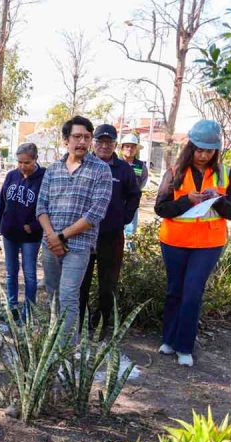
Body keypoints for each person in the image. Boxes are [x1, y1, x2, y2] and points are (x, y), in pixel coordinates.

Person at [154, 119, 231, 367]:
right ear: (190, 147)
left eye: (208, 150)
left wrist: (218, 200)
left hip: (208, 243)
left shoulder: (225, 174)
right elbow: (161, 208)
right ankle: (169, 340)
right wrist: (188, 201)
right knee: (175, 291)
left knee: (192, 293)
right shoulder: (174, 172)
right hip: (175, 240)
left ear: (216, 150)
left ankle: (185, 346)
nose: (203, 155)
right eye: (199, 149)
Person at [36, 116, 113, 343]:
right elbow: (41, 206)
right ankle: (54, 338)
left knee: (69, 295)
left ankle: (66, 349)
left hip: (78, 247)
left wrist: (62, 236)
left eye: (86, 137)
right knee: (53, 294)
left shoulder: (101, 170)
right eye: (77, 137)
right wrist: (52, 236)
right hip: (50, 244)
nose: (82, 142)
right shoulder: (53, 169)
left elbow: (95, 213)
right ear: (66, 140)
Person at [78, 125, 141, 339]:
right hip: (83, 234)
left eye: (109, 142)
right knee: (81, 281)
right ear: (93, 143)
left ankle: (101, 324)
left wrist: (123, 218)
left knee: (108, 284)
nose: (104, 146)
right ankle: (78, 322)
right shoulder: (83, 164)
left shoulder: (124, 169)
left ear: (115, 144)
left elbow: (134, 195)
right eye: (100, 141)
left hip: (111, 236)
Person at [0, 143, 45, 319]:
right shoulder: (11, 175)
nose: (22, 166)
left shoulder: (44, 177)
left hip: (30, 236)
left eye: (27, 162)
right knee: (10, 272)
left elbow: (50, 207)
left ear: (35, 159)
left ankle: (28, 312)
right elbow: (2, 203)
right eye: (19, 162)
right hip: (10, 233)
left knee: (29, 274)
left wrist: (34, 226)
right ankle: (12, 307)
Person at [120, 134, 148, 238]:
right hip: (116, 200)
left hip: (132, 201)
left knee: (130, 230)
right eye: (127, 146)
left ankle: (129, 253)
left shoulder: (140, 166)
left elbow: (143, 180)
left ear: (136, 149)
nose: (129, 149)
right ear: (122, 148)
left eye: (132, 147)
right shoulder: (116, 163)